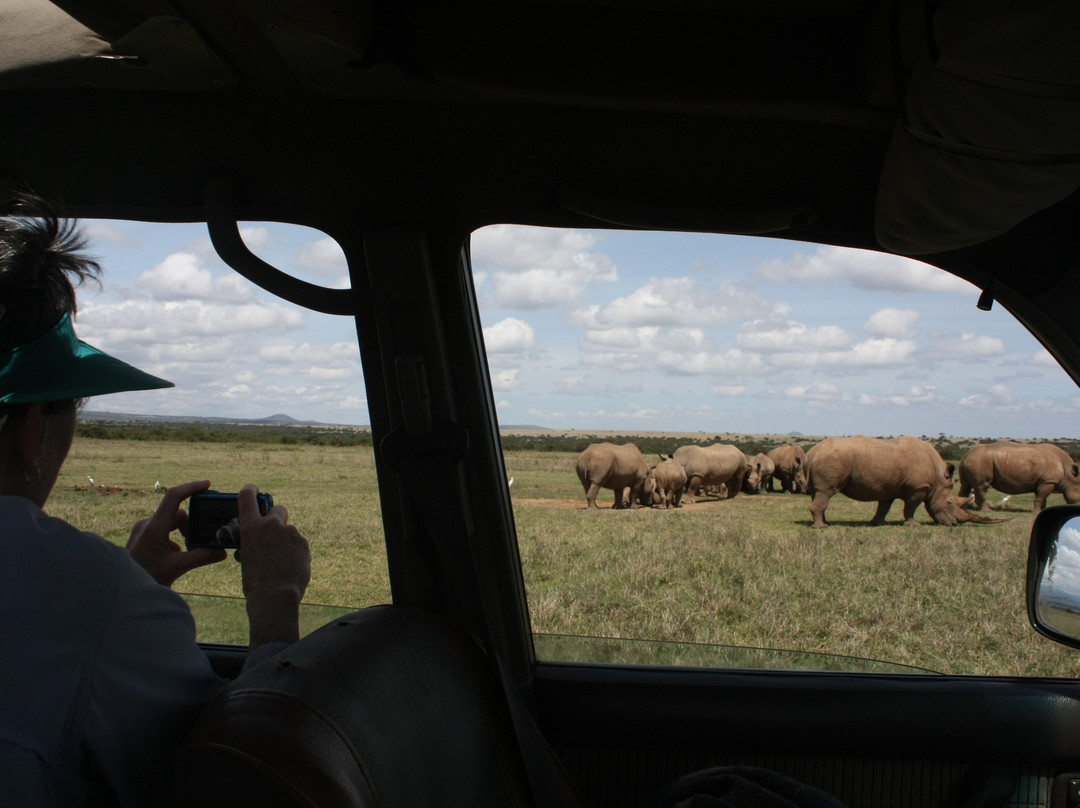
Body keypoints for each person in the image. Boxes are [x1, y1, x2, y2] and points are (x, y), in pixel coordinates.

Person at [0, 198, 312, 806]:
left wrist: (129, 586)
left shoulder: (90, 595)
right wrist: (275, 608)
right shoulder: (84, 590)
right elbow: (232, 783)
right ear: (34, 432)